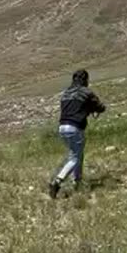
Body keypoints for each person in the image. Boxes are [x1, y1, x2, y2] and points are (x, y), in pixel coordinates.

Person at [49, 69, 106, 199]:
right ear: (85, 79)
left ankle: (77, 181)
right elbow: (100, 107)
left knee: (76, 154)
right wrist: (94, 109)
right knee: (74, 157)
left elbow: (73, 108)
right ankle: (57, 182)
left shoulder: (66, 93)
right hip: (75, 128)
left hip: (62, 128)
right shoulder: (86, 92)